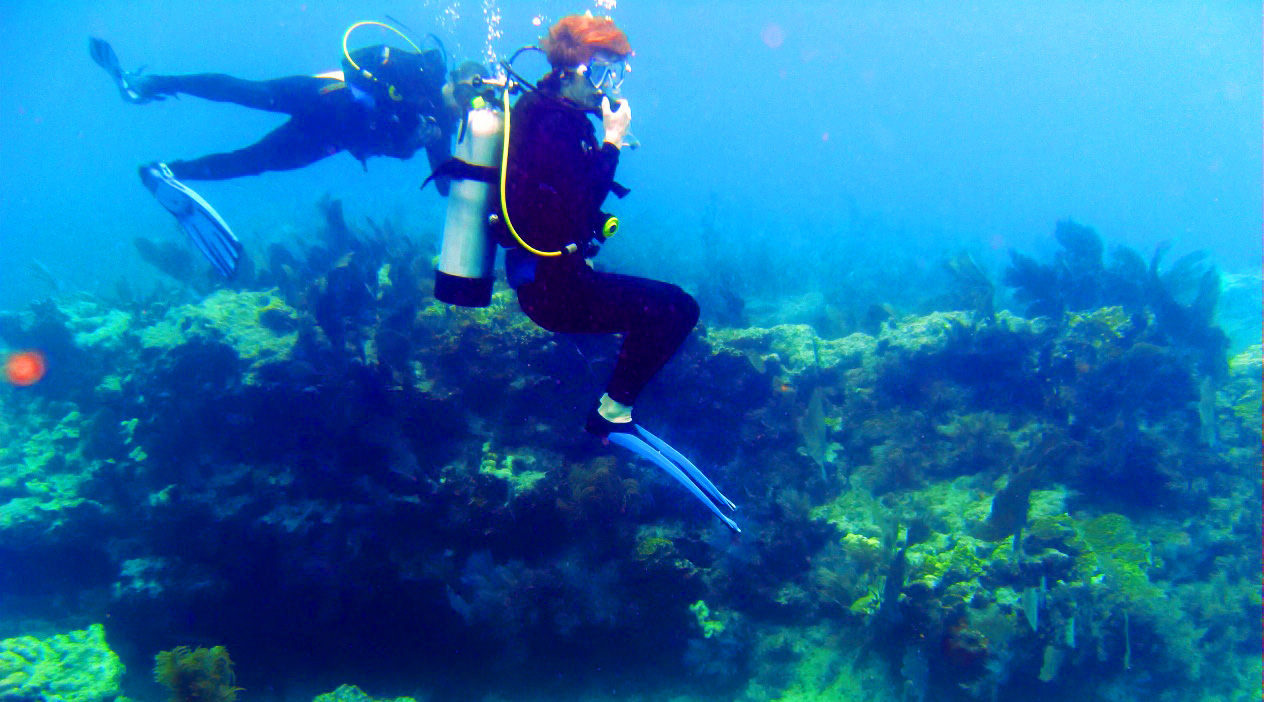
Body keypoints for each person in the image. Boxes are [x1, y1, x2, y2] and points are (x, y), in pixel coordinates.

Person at [500, 15, 739, 531]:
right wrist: (611, 142)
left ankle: (613, 410)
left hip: (552, 282)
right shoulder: (552, 123)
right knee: (677, 309)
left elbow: (563, 209)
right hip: (552, 290)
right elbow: (571, 207)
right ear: (579, 69)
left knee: (663, 308)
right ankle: (611, 414)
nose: (611, 87)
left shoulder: (543, 112)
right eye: (607, 73)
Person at [89, 23, 457, 277]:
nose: (467, 105)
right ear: (459, 80)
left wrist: (432, 147)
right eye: (472, 91)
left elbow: (445, 185)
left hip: (329, 140)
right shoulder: (421, 70)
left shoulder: (441, 125)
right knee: (247, 92)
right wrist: (389, 102)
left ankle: (168, 172)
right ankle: (147, 84)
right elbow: (353, 60)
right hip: (326, 97)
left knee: (254, 163)